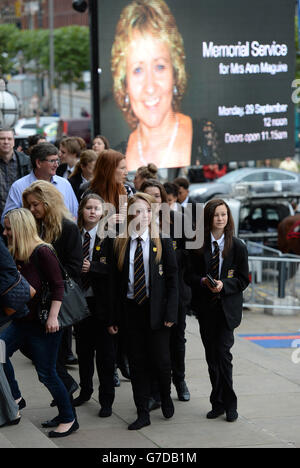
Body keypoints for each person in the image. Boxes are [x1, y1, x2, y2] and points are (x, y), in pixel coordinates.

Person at [1, 208, 78, 438]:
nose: (5, 233)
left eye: (8, 229)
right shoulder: (15, 252)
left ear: (20, 229)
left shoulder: (43, 251)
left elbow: (59, 285)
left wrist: (54, 317)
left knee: (47, 373)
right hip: (23, 320)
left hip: (45, 323)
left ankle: (68, 418)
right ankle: (16, 397)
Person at [108, 192, 178, 430]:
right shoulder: (120, 242)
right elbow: (115, 285)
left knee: (161, 359)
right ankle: (142, 412)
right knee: (137, 363)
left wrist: (171, 313)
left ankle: (165, 396)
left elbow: (172, 280)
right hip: (131, 309)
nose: (143, 216)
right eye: (138, 211)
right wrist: (113, 317)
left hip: (156, 309)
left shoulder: (163, 242)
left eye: (147, 211)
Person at [22, 180, 83, 417]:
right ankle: (66, 392)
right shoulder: (35, 227)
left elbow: (75, 268)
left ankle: (65, 408)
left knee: (51, 360)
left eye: (35, 204)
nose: (32, 210)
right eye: (29, 205)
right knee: (36, 352)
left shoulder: (68, 228)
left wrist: (50, 278)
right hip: (36, 302)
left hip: (58, 303)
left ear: (48, 202)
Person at [185, 199, 249, 422]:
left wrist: (224, 285)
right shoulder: (197, 245)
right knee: (212, 358)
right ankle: (217, 403)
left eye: (224, 215)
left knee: (223, 356)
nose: (220, 219)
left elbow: (243, 279)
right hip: (205, 310)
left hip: (226, 310)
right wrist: (203, 281)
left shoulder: (238, 246)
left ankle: (231, 405)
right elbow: (189, 276)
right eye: (216, 215)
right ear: (208, 218)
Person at [111, 0, 192, 171]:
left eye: (160, 66)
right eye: (138, 70)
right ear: (124, 82)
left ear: (175, 72)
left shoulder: (207, 138)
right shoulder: (118, 153)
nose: (150, 87)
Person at [140, 179, 191, 404]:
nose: (153, 200)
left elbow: (190, 256)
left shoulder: (178, 221)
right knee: (152, 345)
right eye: (148, 196)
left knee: (177, 340)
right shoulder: (137, 224)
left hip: (174, 291)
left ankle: (179, 380)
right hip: (148, 296)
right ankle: (156, 391)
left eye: (157, 196)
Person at [73, 194, 116, 417]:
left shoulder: (110, 236)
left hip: (102, 304)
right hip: (80, 303)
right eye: (88, 208)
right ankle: (85, 390)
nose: (92, 212)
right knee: (83, 351)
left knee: (106, 356)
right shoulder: (74, 235)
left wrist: (94, 268)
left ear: (103, 212)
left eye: (96, 208)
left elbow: (118, 271)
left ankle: (106, 400)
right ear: (81, 210)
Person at [2, 143, 78, 222]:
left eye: (57, 160)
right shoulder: (19, 186)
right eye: (52, 161)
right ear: (38, 163)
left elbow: (75, 215)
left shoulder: (64, 184)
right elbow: (7, 220)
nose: (56, 165)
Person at [0, 128, 31, 219]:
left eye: (9, 139)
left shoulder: (26, 161)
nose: (6, 142)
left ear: (14, 141)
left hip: (21, 217)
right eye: (2, 139)